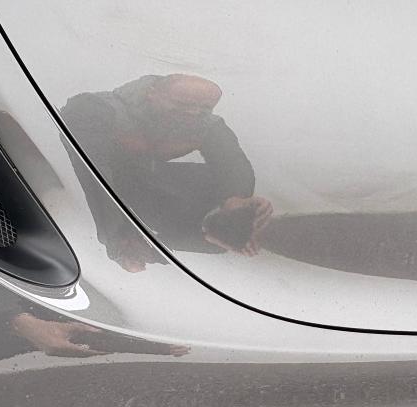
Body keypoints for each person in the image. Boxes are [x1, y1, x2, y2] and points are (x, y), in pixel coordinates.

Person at [62, 74, 272, 271]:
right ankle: (138, 245)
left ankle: (157, 245)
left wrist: (236, 199)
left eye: (205, 108)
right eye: (182, 104)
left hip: (142, 183)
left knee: (221, 227)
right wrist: (117, 238)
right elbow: (93, 174)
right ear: (151, 93)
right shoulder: (92, 109)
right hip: (81, 194)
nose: (193, 113)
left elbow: (232, 161)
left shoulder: (204, 123)